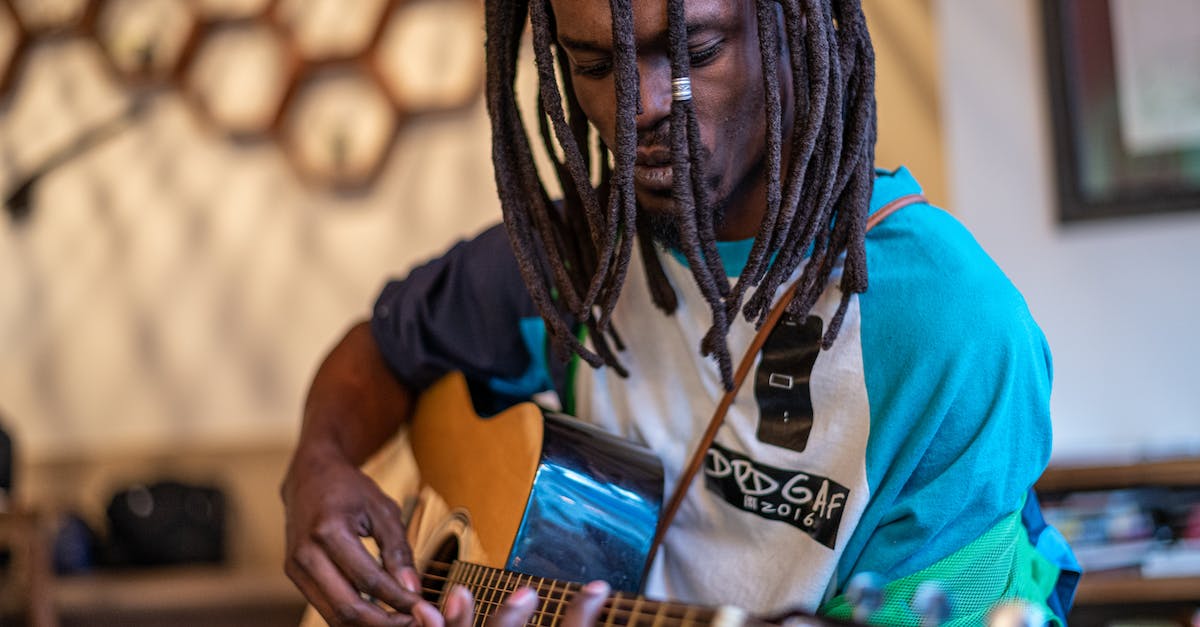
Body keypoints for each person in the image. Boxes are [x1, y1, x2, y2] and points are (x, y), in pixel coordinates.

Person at [281, 0, 1078, 625]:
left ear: (792, 26)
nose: (639, 108)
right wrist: (317, 466)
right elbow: (384, 347)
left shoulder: (950, 324)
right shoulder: (573, 257)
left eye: (697, 51)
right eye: (595, 65)